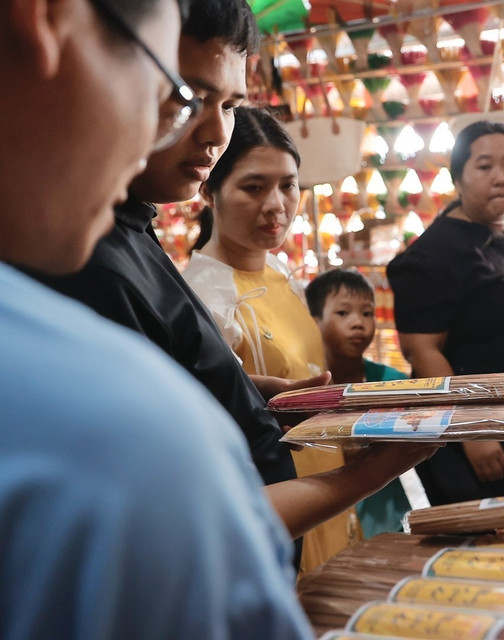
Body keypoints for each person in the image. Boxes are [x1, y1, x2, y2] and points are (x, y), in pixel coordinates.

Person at [28, 1, 435, 564]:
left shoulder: (130, 232)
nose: (216, 130)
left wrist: (247, 395)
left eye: (230, 104)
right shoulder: (76, 256)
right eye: (186, 96)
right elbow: (172, 518)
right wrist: (372, 470)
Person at [0, 0, 315, 637]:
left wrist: (237, 395)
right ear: (47, 23)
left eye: (229, 106)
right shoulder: (132, 433)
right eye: (173, 91)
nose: (169, 126)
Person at [182, 106, 359, 572]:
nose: (277, 204)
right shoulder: (205, 297)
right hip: (271, 497)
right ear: (209, 191)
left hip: (323, 480)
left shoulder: (281, 274)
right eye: (253, 186)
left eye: (288, 184)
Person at [387, 120, 504, 505]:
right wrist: (472, 431)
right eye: (484, 166)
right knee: (472, 545)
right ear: (458, 180)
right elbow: (422, 351)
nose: (500, 177)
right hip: (466, 436)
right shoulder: (433, 254)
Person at [305, 268, 413, 537]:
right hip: (323, 516)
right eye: (343, 313)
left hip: (386, 518)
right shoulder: (305, 387)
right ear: (313, 320)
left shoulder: (391, 383)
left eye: (367, 313)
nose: (358, 323)